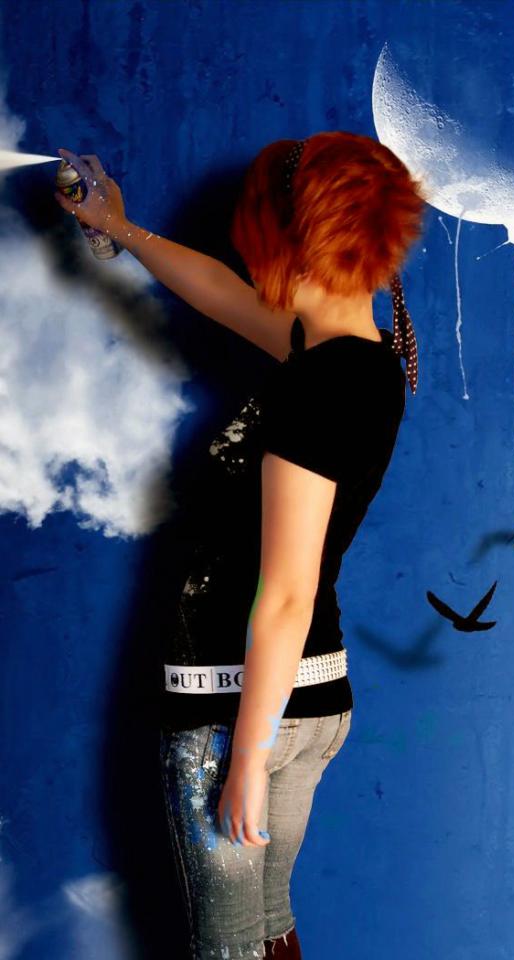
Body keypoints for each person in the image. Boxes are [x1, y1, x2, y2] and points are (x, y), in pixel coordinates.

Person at [54, 131, 427, 960]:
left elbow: (286, 592)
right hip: (309, 698)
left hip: (238, 710)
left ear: (286, 238)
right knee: (265, 934)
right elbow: (223, 296)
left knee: (226, 950)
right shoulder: (357, 362)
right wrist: (119, 227)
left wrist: (247, 760)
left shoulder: (319, 384)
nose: (245, 258)